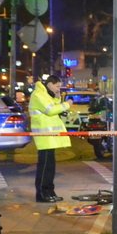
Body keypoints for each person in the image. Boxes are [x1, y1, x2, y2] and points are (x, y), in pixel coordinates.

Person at [28, 74, 72, 203]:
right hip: (44, 138)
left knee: (50, 167)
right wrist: (66, 104)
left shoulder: (45, 95)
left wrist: (58, 99)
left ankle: (50, 192)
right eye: (57, 86)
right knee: (45, 167)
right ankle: (42, 194)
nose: (59, 89)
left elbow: (52, 107)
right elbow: (50, 111)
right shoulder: (38, 95)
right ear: (50, 84)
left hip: (49, 137)